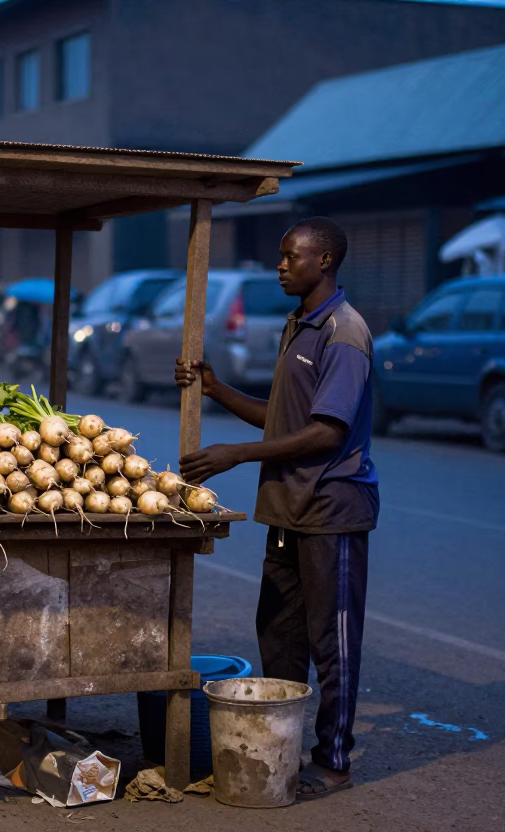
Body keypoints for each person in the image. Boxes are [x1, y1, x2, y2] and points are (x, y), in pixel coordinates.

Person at [174, 217, 378, 801]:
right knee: (278, 637)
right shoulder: (300, 324)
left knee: (331, 642)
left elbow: (325, 433)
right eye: (281, 255)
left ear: (326, 262)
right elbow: (283, 418)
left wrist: (235, 455)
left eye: (291, 257)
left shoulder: (344, 333)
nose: (281, 265)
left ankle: (333, 761)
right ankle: (281, 749)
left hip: (331, 506)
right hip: (287, 507)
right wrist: (217, 391)